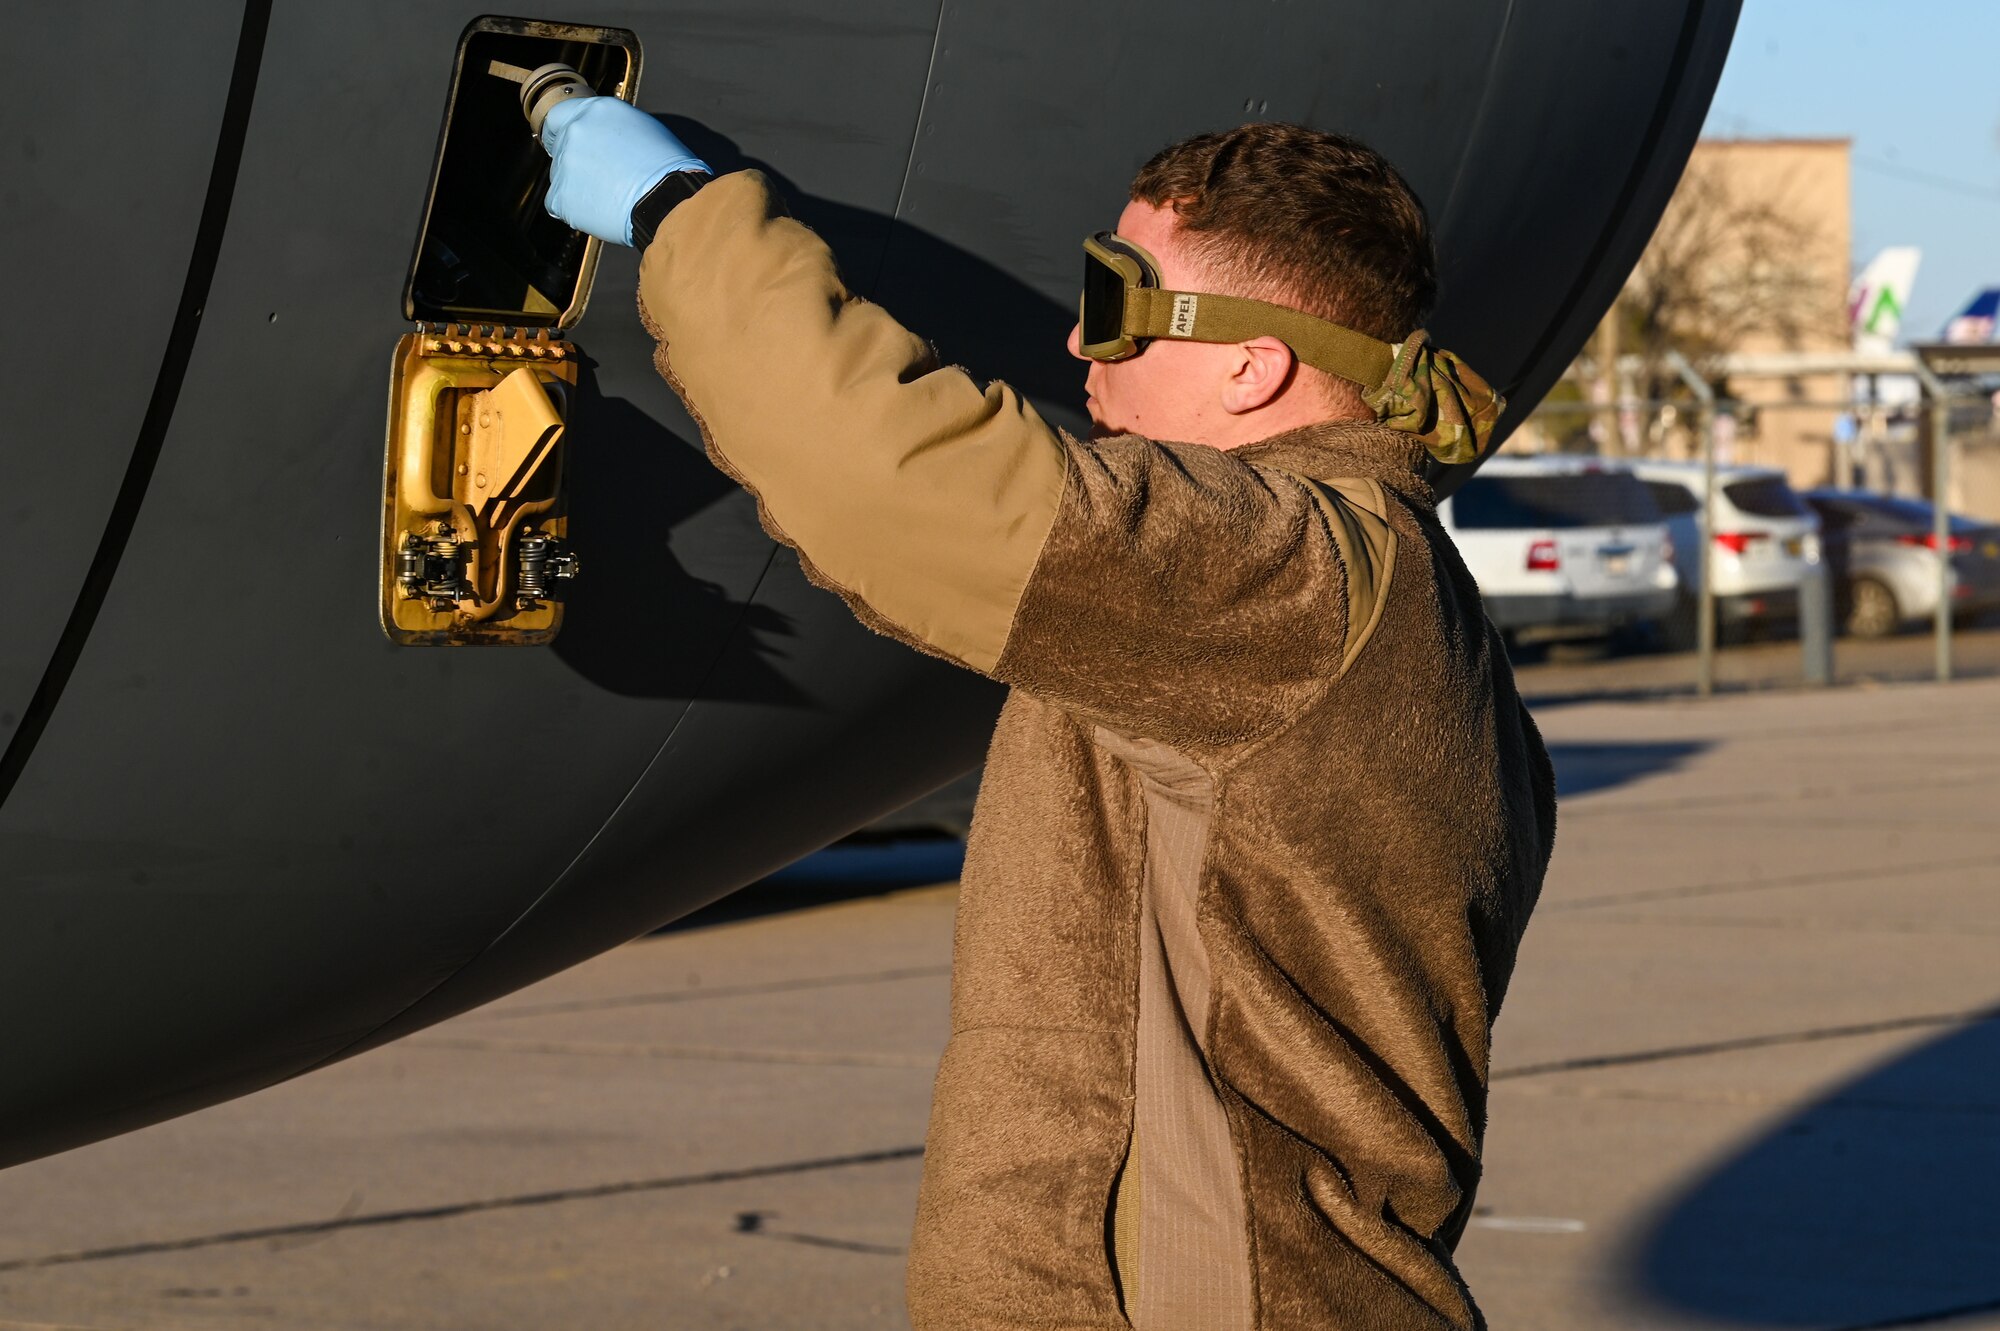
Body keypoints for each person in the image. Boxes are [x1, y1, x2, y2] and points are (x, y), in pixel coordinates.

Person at [541, 95, 1555, 1331]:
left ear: (1254, 363)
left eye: (1121, 302)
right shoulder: (1396, 590)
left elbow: (885, 473)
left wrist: (681, 217)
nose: (1081, 342)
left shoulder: (1277, 576)